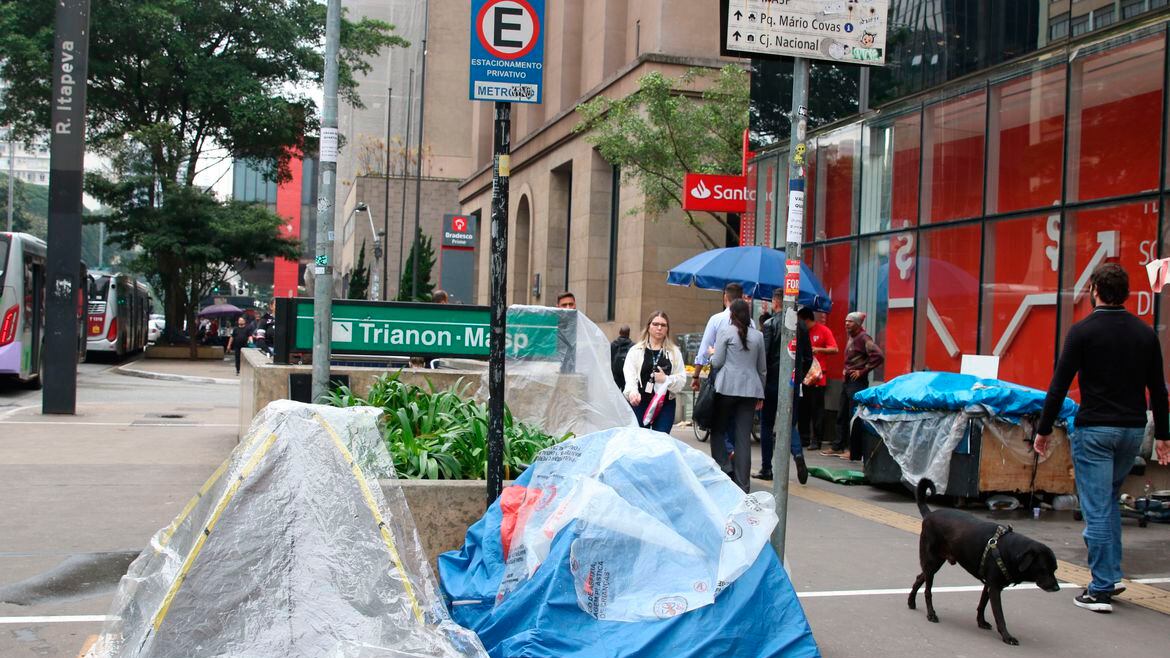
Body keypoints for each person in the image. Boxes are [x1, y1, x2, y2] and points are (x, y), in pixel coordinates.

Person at [1035, 263, 1170, 614]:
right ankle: (1111, 573)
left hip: (1095, 430)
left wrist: (1044, 429)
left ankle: (1099, 589)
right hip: (1131, 430)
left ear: (1094, 289)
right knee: (1108, 500)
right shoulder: (1145, 334)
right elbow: (1158, 389)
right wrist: (1164, 437)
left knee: (1096, 507)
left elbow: (1059, 385)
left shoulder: (1082, 332)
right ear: (1124, 292)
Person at [709, 299, 767, 492]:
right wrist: (761, 394)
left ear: (731, 314)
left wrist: (711, 354)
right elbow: (762, 370)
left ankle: (725, 468)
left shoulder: (725, 332)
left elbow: (717, 362)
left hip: (726, 388)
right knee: (743, 439)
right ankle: (743, 485)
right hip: (751, 391)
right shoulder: (758, 336)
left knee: (718, 429)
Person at [692, 283, 755, 457]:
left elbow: (704, 349)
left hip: (721, 375)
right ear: (742, 298)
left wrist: (696, 375)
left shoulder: (717, 319)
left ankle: (727, 450)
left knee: (720, 417)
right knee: (736, 418)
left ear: (725, 298)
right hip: (745, 379)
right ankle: (733, 448)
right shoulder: (752, 323)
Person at [758, 292, 811, 484]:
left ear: (775, 302)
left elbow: (763, 357)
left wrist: (761, 384)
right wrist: (798, 378)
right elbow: (808, 357)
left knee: (766, 424)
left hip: (771, 382)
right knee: (790, 422)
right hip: (791, 382)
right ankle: (797, 454)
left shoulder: (770, 324)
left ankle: (766, 468)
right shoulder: (802, 326)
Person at [823, 311, 883, 460]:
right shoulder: (853, 337)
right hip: (847, 381)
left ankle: (853, 450)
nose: (846, 324)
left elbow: (879, 355)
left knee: (853, 416)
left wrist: (863, 371)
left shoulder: (864, 338)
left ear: (857, 324)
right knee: (842, 414)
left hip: (857, 383)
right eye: (845, 321)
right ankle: (838, 445)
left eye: (850, 321)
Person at [622, 312, 688, 433]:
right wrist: (632, 393)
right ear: (648, 326)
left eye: (663, 325)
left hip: (664, 404)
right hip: (640, 402)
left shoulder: (674, 352)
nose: (659, 328)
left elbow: (682, 379)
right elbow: (630, 375)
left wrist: (666, 379)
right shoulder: (636, 351)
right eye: (655, 324)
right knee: (640, 440)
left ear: (667, 329)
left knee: (661, 440)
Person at [798, 307, 839, 450]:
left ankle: (817, 440)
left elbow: (834, 349)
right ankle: (804, 438)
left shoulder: (823, 330)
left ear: (807, 320)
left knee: (817, 410)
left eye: (801, 321)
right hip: (803, 376)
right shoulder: (801, 332)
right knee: (803, 409)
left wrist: (818, 349)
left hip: (817, 377)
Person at [610, 325, 634, 390]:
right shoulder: (633, 346)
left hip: (615, 373)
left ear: (619, 332)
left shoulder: (613, 344)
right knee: (626, 392)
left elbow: (611, 358)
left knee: (615, 392)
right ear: (629, 333)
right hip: (626, 374)